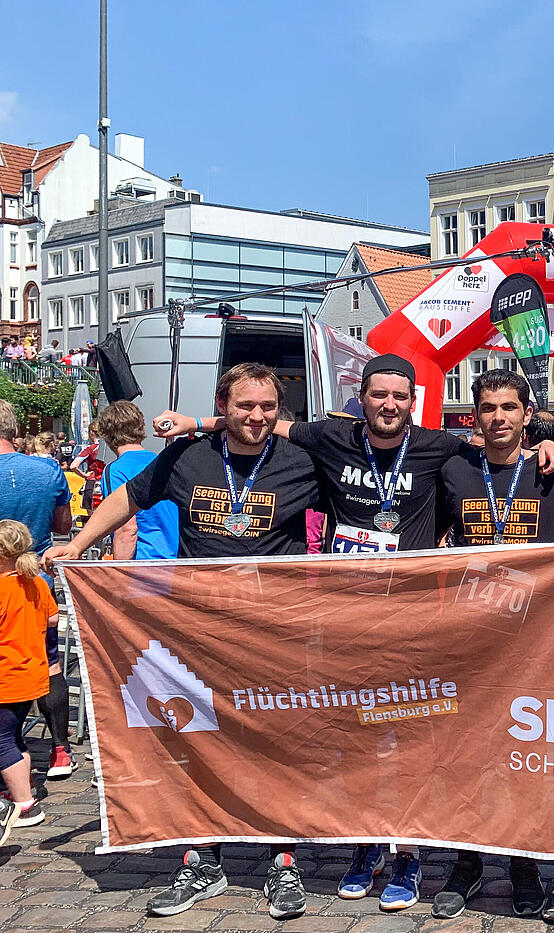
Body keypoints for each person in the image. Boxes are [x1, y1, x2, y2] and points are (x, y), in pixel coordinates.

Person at [154, 353, 554, 912]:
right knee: (355, 738)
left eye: (400, 395)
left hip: (417, 621)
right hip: (343, 618)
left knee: (416, 738)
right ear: (361, 399)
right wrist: (197, 424)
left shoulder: (439, 447)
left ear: (413, 401)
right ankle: (366, 842)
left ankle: (410, 852)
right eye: (378, 395)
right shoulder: (331, 437)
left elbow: (498, 445)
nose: (389, 405)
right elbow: (264, 419)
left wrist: (546, 441)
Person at [46, 362, 322, 921]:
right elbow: (130, 498)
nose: (257, 417)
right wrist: (78, 544)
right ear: (223, 406)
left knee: (273, 746)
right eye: (245, 406)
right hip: (196, 630)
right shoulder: (188, 457)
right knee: (196, 745)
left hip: (272, 634)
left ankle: (283, 860)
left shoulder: (300, 462)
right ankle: (203, 858)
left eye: (267, 406)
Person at [429, 369, 554, 922]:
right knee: (469, 753)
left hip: (538, 638)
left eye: (508, 408)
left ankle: (523, 862)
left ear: (526, 413)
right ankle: (467, 862)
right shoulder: (454, 468)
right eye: (488, 408)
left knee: (526, 755)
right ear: (474, 415)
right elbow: (433, 540)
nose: (498, 418)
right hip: (470, 637)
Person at [0, 402, 74, 780]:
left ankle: (8, 751)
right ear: (13, 430)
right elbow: (64, 522)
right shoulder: (47, 471)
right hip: (34, 579)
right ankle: (61, 750)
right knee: (49, 662)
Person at [0, 520, 59, 845]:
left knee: (2, 741)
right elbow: (52, 617)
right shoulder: (35, 582)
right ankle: (24, 792)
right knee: (13, 737)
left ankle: (24, 805)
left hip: (6, 676)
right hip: (31, 673)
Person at [93, 401, 178, 560]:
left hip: (143, 563)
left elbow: (126, 530)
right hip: (176, 563)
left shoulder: (115, 470)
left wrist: (119, 574)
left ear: (107, 434)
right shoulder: (162, 461)